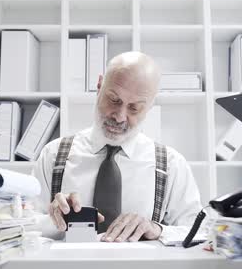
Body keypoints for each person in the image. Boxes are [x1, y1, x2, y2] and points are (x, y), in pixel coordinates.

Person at [33, 51, 202, 242]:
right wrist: (53, 220)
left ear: (150, 107)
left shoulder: (172, 165)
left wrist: (158, 229)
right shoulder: (53, 155)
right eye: (114, 100)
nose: (120, 116)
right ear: (99, 87)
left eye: (134, 108)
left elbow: (198, 232)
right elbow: (22, 227)